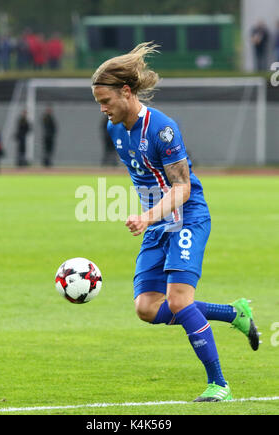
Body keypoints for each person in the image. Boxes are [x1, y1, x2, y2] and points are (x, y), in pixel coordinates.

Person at [91, 42, 260, 402]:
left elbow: (181, 188)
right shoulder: (116, 130)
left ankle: (220, 385)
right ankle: (233, 314)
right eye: (98, 103)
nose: (102, 109)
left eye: (105, 101)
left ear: (126, 91)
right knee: (146, 308)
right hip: (158, 222)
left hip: (186, 216)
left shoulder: (163, 129)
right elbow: (145, 179)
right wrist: (152, 217)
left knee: (180, 302)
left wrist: (147, 215)